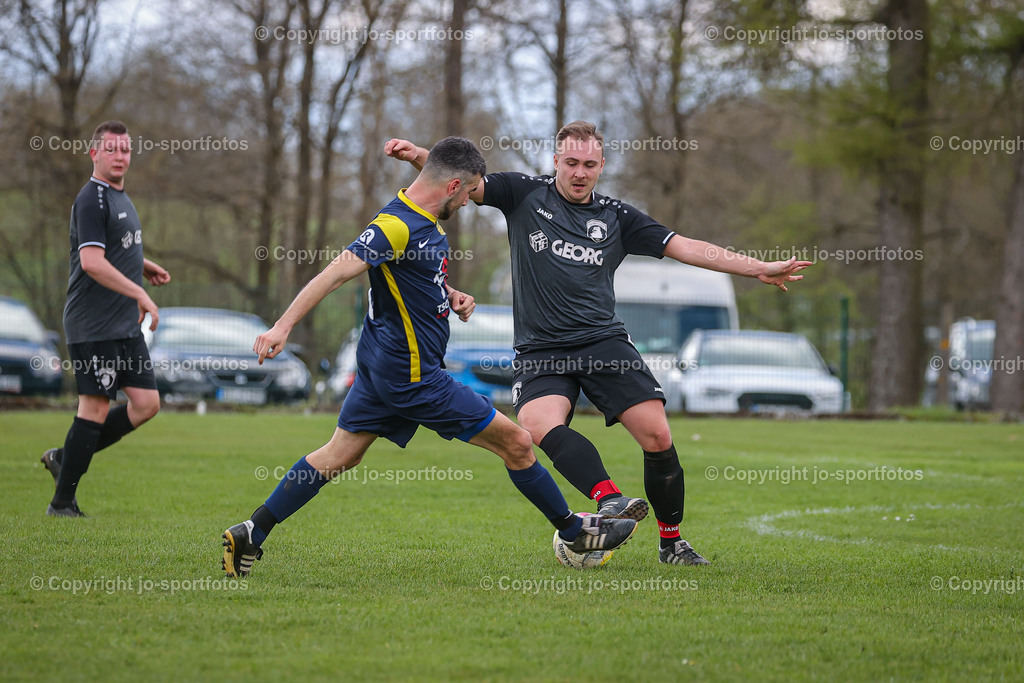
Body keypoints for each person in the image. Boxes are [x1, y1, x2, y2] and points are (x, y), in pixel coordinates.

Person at [385, 122, 811, 566]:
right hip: (541, 350)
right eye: (571, 163)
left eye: (589, 164)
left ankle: (672, 542)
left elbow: (687, 247)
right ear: (556, 162)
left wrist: (756, 267)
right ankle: (608, 499)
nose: (579, 172)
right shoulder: (522, 194)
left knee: (658, 435)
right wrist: (420, 155)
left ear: (602, 166)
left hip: (603, 342)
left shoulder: (618, 217)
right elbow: (462, 183)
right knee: (536, 424)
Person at [221, 137, 636, 578]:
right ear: (454, 185)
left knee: (338, 455)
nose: (468, 201)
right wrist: (282, 326)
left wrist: (450, 295)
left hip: (379, 365)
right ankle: (574, 530)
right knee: (518, 443)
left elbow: (405, 279)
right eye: (469, 191)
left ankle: (252, 530)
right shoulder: (396, 225)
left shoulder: (423, 221)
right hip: (413, 376)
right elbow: (336, 272)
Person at [40, 120, 170, 517]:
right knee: (93, 408)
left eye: (125, 150)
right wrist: (140, 293)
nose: (119, 156)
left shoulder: (120, 197)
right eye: (111, 149)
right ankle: (62, 503)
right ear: (94, 153)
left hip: (121, 325)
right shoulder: (90, 199)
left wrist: (141, 265)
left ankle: (65, 457)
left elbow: (114, 248)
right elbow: (92, 261)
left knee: (146, 404)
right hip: (92, 324)